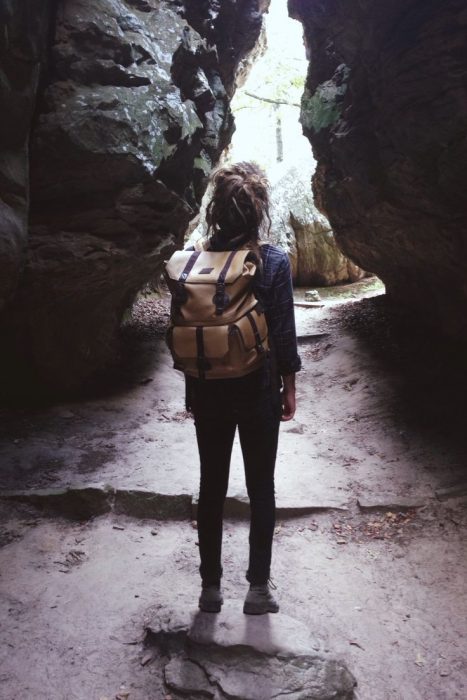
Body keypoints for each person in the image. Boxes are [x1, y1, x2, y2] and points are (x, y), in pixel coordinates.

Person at [186, 162, 301, 614]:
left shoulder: (197, 260)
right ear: (258, 212)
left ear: (216, 210)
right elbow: (284, 334)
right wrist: (289, 388)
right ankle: (257, 590)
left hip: (208, 389)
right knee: (262, 488)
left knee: (211, 485)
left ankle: (210, 589)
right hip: (258, 390)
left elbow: (190, 331)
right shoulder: (271, 261)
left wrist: (193, 393)